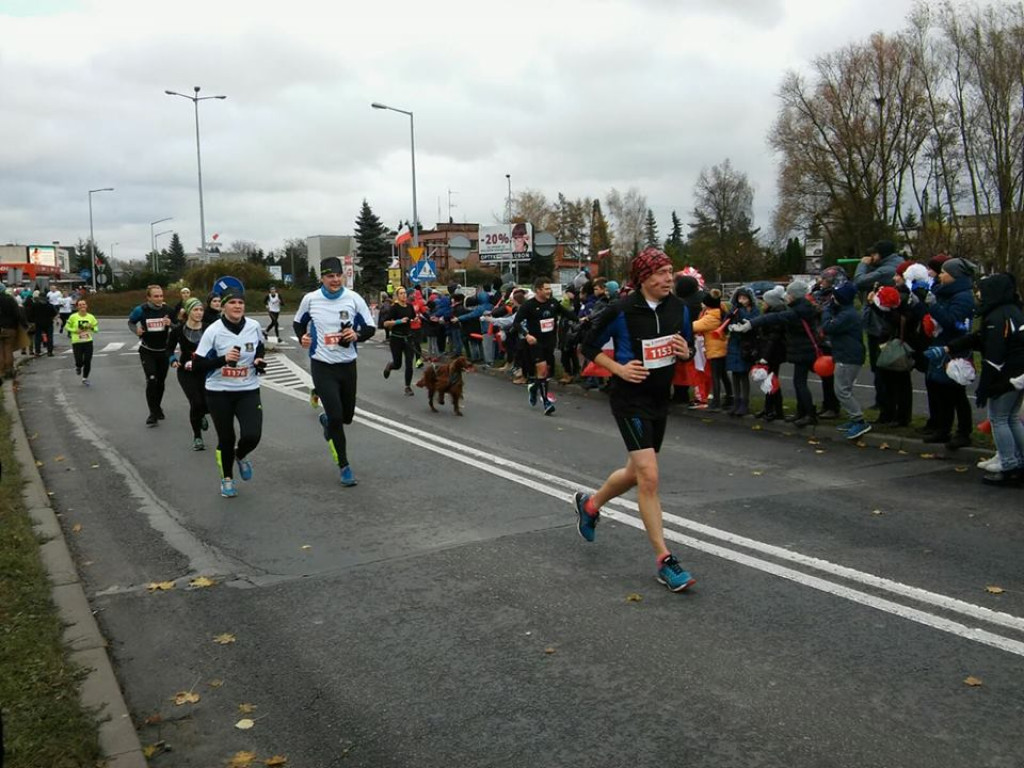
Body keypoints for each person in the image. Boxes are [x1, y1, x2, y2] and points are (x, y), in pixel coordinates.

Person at [573, 248, 697, 592]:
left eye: (670, 271)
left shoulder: (679, 309)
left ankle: (591, 504)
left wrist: (685, 352)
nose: (668, 278)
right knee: (649, 475)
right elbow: (587, 344)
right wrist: (618, 369)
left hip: (659, 399)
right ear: (643, 278)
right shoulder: (622, 309)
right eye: (660, 273)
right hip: (629, 400)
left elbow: (686, 343)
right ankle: (665, 561)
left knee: (634, 471)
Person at [293, 256, 376, 486]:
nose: (336, 280)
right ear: (322, 278)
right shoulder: (311, 300)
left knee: (347, 416)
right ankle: (344, 466)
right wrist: (303, 337)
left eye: (339, 275)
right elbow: (298, 323)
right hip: (322, 365)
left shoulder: (353, 298)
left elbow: (370, 327)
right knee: (337, 417)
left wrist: (356, 335)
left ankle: (327, 421)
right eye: (330, 276)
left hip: (347, 365)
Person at [939, 272, 1024, 485]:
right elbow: (981, 339)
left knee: (999, 418)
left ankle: (1009, 466)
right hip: (1017, 373)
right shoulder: (1012, 311)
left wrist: (986, 387)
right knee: (1011, 418)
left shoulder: (997, 317)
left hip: (1007, 375)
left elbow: (994, 356)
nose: (978, 294)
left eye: (982, 290)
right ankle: (1017, 461)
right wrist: (952, 346)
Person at [193, 279, 265, 498]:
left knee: (252, 435)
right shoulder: (213, 331)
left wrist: (259, 360)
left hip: (248, 389)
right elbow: (197, 365)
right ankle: (227, 479)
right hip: (219, 392)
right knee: (226, 439)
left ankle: (241, 455)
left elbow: (259, 347)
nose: (237, 306)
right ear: (223, 306)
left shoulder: (253, 326)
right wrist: (222, 359)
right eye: (232, 303)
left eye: (240, 303)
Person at [731, 280, 820, 426]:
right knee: (798, 382)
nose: (787, 296)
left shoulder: (798, 310)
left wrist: (751, 324)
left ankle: (809, 413)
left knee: (800, 383)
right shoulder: (800, 307)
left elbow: (774, 318)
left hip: (804, 350)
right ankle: (802, 412)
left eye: (789, 294)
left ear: (795, 296)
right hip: (801, 349)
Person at [514, 276, 577, 416]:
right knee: (542, 370)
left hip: (550, 342)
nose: (549, 291)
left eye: (550, 289)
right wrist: (527, 335)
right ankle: (546, 402)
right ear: (538, 290)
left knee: (546, 372)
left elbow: (566, 313)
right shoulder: (528, 305)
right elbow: (516, 323)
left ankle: (534, 388)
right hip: (535, 342)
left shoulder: (553, 303)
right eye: (546, 289)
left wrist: (580, 318)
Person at [822, 282, 870, 439]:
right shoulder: (845, 312)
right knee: (845, 389)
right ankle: (853, 418)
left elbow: (828, 327)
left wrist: (827, 310)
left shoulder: (847, 315)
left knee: (841, 390)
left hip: (848, 356)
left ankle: (859, 420)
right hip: (845, 353)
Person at [128, 285, 176, 427]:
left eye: (161, 296)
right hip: (147, 350)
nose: (159, 299)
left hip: (164, 351)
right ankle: (153, 413)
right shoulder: (141, 310)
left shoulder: (168, 310)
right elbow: (130, 322)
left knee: (160, 382)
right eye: (156, 296)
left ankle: (157, 407)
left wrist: (171, 324)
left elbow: (179, 327)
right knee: (152, 379)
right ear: (148, 297)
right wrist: (136, 329)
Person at [168, 298, 211, 450]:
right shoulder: (178, 331)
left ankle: (202, 414)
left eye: (201, 310)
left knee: (207, 404)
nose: (199, 313)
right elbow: (169, 348)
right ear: (188, 312)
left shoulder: (208, 329)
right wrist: (173, 360)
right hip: (186, 372)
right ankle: (197, 437)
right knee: (196, 402)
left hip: (205, 370)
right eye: (195, 310)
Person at [381, 286, 417, 395]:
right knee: (398, 364)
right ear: (397, 296)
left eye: (405, 293)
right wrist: (398, 322)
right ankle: (389, 366)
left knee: (409, 363)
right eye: (401, 293)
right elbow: (385, 323)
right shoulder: (394, 308)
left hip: (408, 338)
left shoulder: (410, 307)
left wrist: (414, 320)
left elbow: (413, 318)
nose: (404, 295)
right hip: (396, 338)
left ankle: (407, 387)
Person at [65, 298, 98, 386]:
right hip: (77, 341)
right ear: (77, 307)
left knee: (87, 360)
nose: (82, 306)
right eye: (80, 305)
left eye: (83, 304)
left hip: (88, 341)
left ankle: (85, 378)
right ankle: (78, 366)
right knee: (79, 360)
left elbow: (96, 329)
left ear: (86, 306)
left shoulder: (91, 317)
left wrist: (91, 327)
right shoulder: (73, 317)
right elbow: (67, 327)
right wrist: (75, 330)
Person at [0, 284, 27, 379]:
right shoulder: (10, 299)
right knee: (8, 349)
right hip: (10, 328)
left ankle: (1, 372)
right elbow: (17, 313)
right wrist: (23, 325)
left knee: (0, 350)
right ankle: (9, 371)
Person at [27, 290, 57, 356]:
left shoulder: (35, 305)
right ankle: (50, 351)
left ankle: (37, 351)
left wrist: (34, 320)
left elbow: (30, 314)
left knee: (37, 338)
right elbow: (54, 313)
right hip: (48, 323)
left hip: (38, 323)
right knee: (50, 337)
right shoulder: (50, 305)